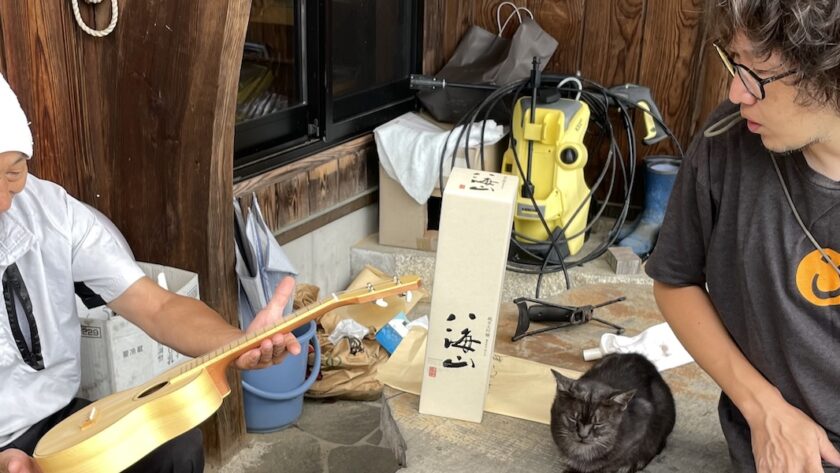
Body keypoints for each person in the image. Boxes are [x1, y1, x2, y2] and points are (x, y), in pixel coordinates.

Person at [0, 74, 300, 473]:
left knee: (174, 447)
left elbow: (156, 307)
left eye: (13, 173)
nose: (5, 203)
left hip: (56, 428)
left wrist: (238, 343)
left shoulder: (49, 211)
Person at [646, 1, 840, 472]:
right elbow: (675, 281)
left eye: (759, 75)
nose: (736, 91)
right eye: (734, 62)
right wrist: (764, 410)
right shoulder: (725, 144)